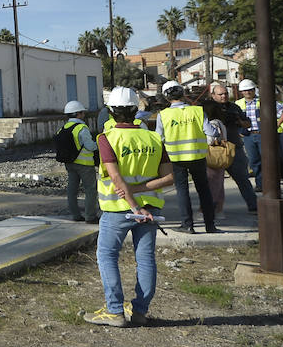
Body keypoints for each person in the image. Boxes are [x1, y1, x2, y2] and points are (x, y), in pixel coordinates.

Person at [83, 86, 174, 328]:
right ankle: (140, 312)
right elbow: (168, 178)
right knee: (145, 260)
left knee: (107, 256)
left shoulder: (107, 138)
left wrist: (133, 204)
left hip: (118, 210)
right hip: (151, 209)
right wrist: (140, 192)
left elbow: (115, 178)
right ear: (136, 110)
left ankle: (114, 311)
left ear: (111, 112)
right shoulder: (154, 138)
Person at [156, 80, 218, 234]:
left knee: (182, 191)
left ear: (166, 97)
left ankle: (187, 225)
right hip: (198, 157)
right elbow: (211, 132)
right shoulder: (197, 111)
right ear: (182, 93)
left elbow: (158, 138)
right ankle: (210, 225)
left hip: (177, 159)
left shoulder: (163, 115)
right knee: (204, 190)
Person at [209, 82, 258, 215]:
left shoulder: (234, 107)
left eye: (225, 94)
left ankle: (253, 205)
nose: (223, 96)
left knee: (242, 178)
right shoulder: (208, 108)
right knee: (214, 183)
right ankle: (211, 210)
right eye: (220, 94)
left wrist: (238, 121)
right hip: (215, 150)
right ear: (213, 95)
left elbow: (247, 123)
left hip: (233, 148)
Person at [60, 100, 99, 223]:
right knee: (90, 190)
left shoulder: (63, 128)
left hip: (69, 163)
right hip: (85, 165)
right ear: (78, 114)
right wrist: (99, 143)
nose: (84, 115)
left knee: (72, 190)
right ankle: (90, 216)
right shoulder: (81, 128)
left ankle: (75, 215)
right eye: (82, 112)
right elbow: (90, 146)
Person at [235, 79, 278, 187]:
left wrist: (275, 126)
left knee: (267, 160)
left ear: (254, 90)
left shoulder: (264, 101)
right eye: (245, 91)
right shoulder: (238, 104)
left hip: (263, 135)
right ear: (241, 92)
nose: (247, 92)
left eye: (250, 90)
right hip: (248, 136)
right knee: (254, 161)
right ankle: (260, 184)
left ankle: (271, 185)